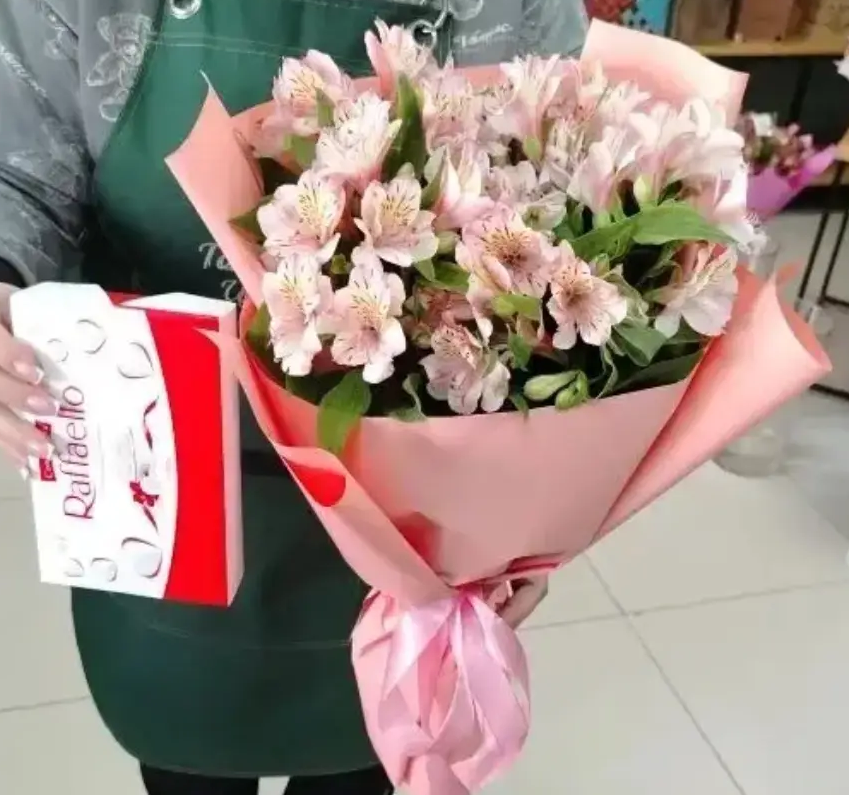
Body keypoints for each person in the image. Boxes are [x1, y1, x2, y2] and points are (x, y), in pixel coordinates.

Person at [0, 1, 588, 793]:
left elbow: (560, 217)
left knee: (369, 748)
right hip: (155, 470)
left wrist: (539, 514)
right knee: (188, 754)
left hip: (407, 508)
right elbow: (20, 166)